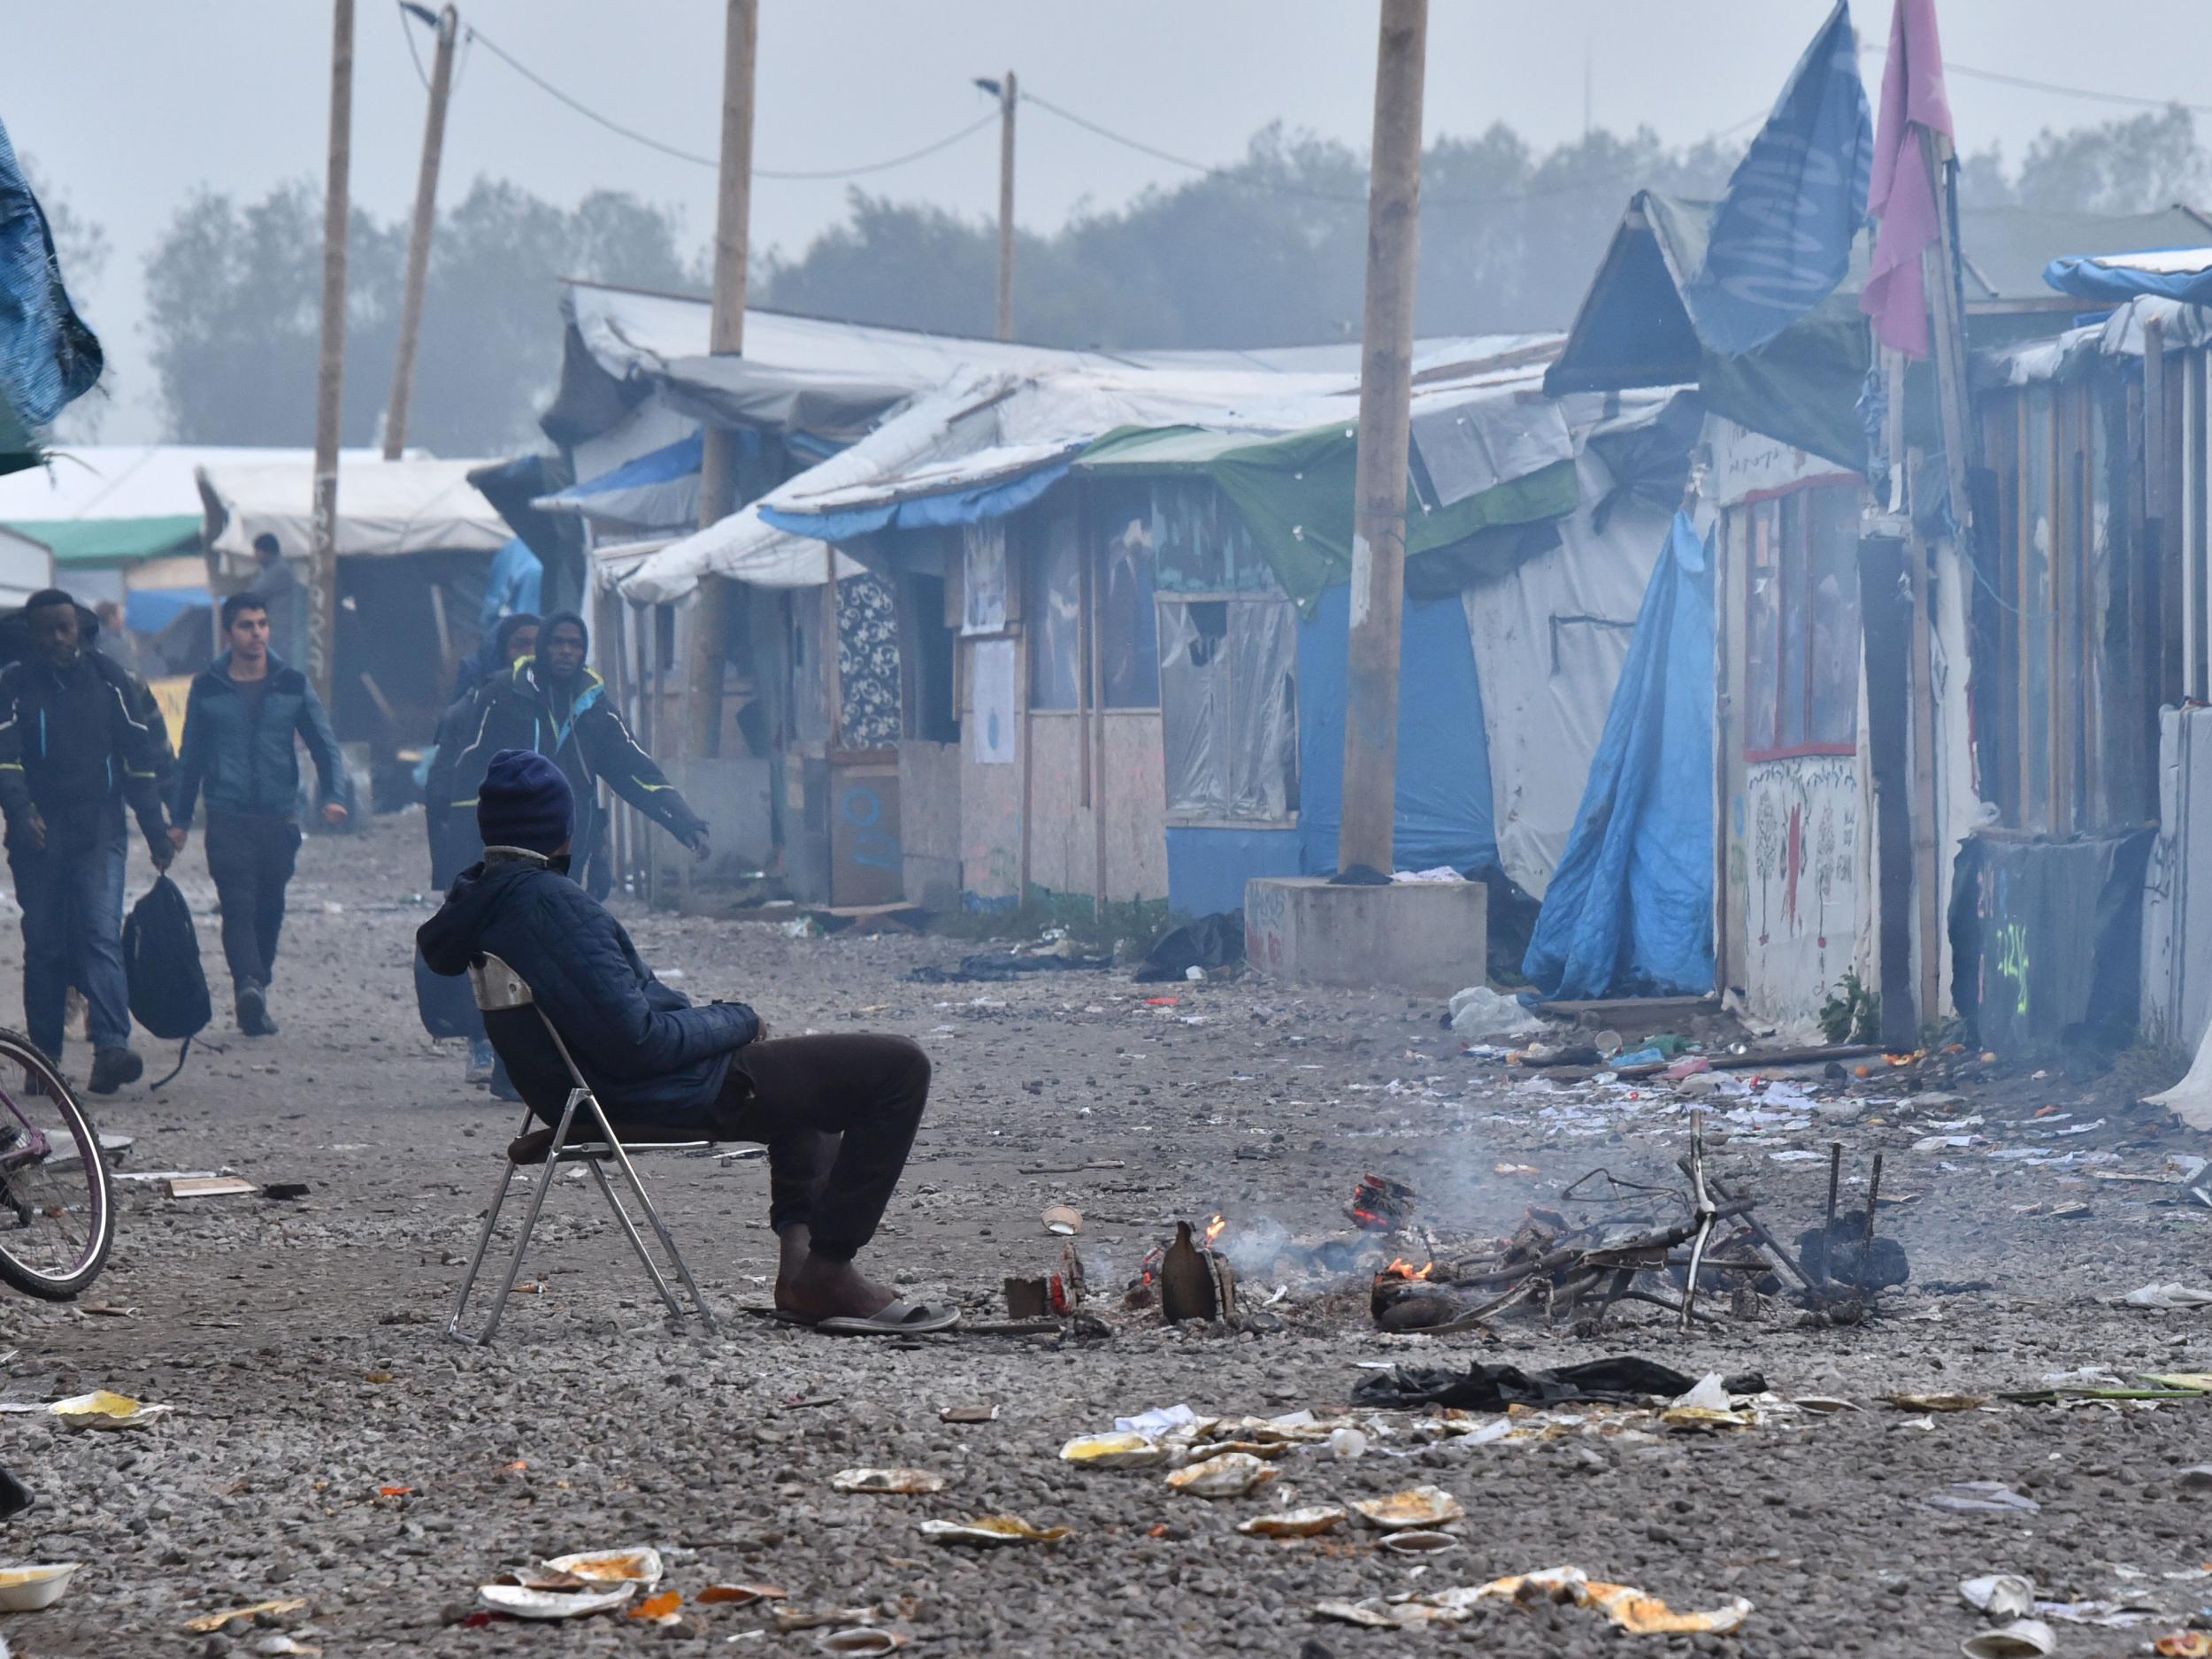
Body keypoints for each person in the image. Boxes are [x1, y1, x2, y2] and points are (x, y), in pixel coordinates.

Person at [418, 749, 953, 1333]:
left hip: (596, 1090)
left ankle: (803, 1273)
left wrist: (720, 1024)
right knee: (900, 1067)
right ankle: (828, 1268)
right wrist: (737, 1019)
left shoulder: (489, 900)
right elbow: (640, 1042)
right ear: (564, 832)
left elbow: (623, 1023)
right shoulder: (553, 908)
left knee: (813, 1080)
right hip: (657, 1092)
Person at [0, 589, 176, 1092]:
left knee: (102, 934)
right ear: (32, 634)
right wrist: (20, 810)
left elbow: (138, 761)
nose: (58, 638)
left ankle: (112, 1048)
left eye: (65, 627)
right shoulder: (11, 687)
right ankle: (44, 1064)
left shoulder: (112, 682)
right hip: (35, 838)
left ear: (78, 628)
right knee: (46, 943)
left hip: (100, 829)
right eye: (47, 630)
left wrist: (155, 829)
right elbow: (5, 759)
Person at [168, 594, 350, 1036]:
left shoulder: (290, 683)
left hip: (278, 817)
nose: (257, 633)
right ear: (228, 633)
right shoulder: (207, 687)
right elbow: (190, 756)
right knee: (237, 903)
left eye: (263, 624)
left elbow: (324, 745)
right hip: (227, 815)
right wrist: (177, 820)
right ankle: (247, 983)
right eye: (247, 625)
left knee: (270, 906)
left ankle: (257, 986)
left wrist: (333, 795)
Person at [429, 610, 710, 882]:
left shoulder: (594, 708)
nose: (566, 651)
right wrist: (461, 865)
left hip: (567, 850)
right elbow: (468, 774)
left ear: (584, 650)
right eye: (557, 642)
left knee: (552, 924)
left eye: (575, 644)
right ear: (543, 647)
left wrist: (685, 823)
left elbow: (636, 772)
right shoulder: (501, 695)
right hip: (508, 847)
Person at [244, 533, 307, 664]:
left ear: (265, 552)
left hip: (281, 627)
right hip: (277, 626)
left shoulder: (279, 570)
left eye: (257, 551)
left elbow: (255, 594)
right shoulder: (271, 570)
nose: (255, 556)